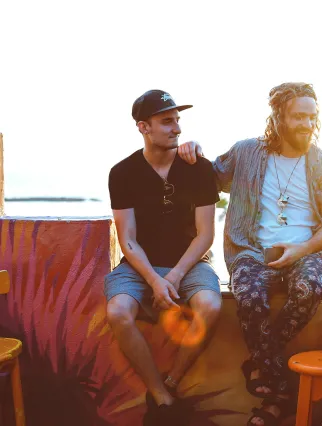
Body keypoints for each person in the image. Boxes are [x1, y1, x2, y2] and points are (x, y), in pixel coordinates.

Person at [178, 82, 322, 426]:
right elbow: (208, 177)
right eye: (298, 116)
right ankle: (281, 388)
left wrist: (300, 249)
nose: (306, 124)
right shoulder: (246, 153)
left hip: (307, 250)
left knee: (309, 287)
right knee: (250, 297)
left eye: (311, 117)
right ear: (278, 117)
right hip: (251, 251)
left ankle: (261, 366)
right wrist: (192, 149)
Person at [104, 90, 222, 425]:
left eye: (178, 120)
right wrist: (155, 279)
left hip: (190, 262)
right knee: (118, 312)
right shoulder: (122, 172)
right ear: (143, 127)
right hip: (139, 264)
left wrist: (174, 276)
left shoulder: (198, 168)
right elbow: (127, 239)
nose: (177, 128)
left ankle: (171, 382)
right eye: (167, 121)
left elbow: (206, 234)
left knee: (211, 307)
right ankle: (161, 396)